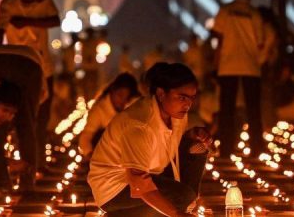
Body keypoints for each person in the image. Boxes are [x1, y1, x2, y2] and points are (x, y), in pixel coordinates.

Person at [88, 62, 211, 217]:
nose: (188, 104)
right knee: (182, 197)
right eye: (182, 97)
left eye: (191, 98)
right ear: (160, 94)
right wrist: (175, 214)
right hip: (115, 188)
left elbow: (167, 145)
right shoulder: (139, 125)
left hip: (151, 172)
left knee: (197, 147)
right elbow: (139, 183)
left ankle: (180, 205)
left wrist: (191, 136)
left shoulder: (177, 114)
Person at [0, 0, 60, 173]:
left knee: (42, 118)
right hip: (18, 69)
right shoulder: (8, 3)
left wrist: (28, 21)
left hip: (43, 67)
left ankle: (38, 162)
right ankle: (17, 162)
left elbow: (55, 20)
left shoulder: (45, 3)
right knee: (21, 117)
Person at [0, 44, 46, 190]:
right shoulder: (40, 82)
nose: (10, 117)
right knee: (26, 128)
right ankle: (27, 185)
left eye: (12, 113)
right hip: (28, 65)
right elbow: (40, 98)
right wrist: (23, 117)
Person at [210, 0, 265, 157]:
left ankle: (226, 149)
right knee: (253, 110)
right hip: (250, 66)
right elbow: (260, 42)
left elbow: (218, 39)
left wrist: (216, 64)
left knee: (227, 109)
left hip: (228, 65)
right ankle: (256, 148)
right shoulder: (254, 14)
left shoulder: (225, 11)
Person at [79, 73, 140, 158]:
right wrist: (90, 155)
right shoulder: (99, 110)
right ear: (113, 91)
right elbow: (87, 135)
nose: (122, 101)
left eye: (126, 97)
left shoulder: (129, 108)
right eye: (120, 95)